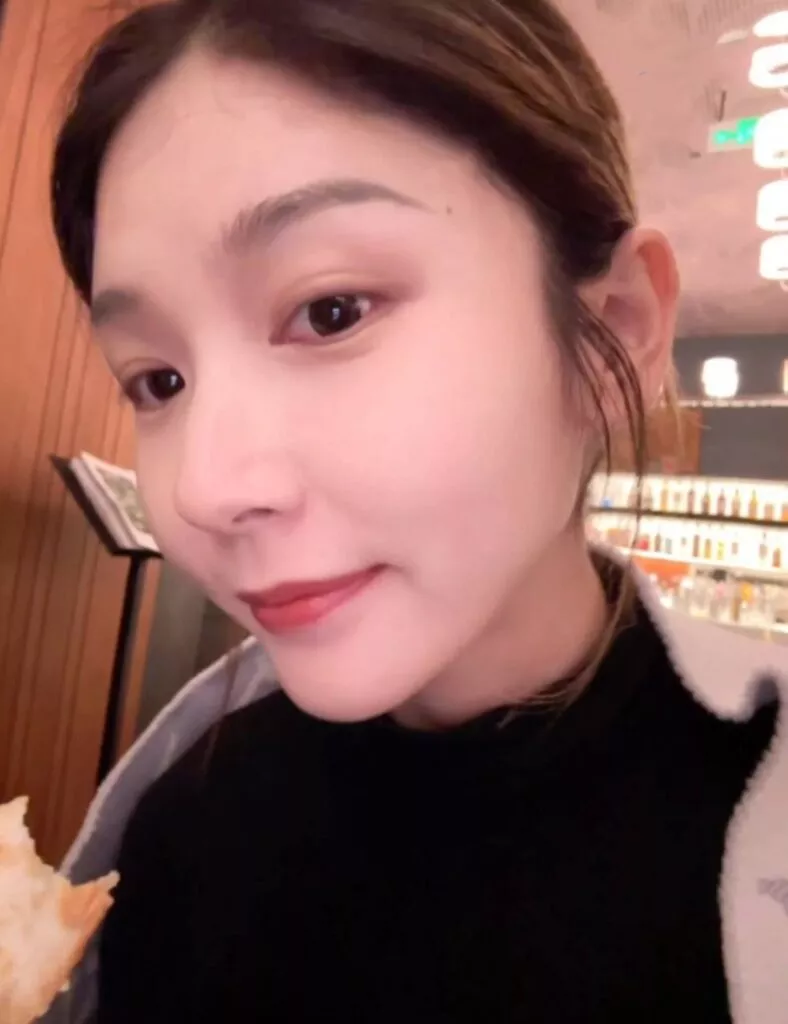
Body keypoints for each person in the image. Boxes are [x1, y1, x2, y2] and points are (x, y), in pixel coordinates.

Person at [47, 1, 788, 1022]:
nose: (203, 490)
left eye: (331, 311)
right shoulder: (180, 837)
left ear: (612, 330)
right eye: (157, 380)